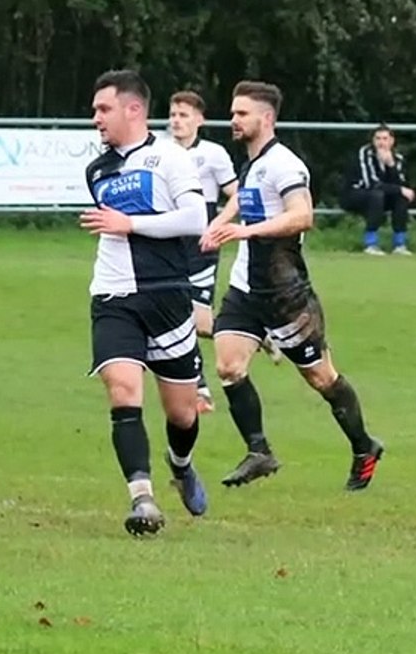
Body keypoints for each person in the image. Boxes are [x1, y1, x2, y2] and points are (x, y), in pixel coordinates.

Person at [201, 80, 385, 492]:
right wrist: (220, 222)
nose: (233, 119)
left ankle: (363, 446)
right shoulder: (252, 163)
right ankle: (259, 450)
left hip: (287, 296)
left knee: (322, 379)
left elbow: (302, 216)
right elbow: (244, 196)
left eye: (241, 114)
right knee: (229, 366)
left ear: (266, 119)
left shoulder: (285, 164)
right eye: (233, 113)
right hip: (247, 289)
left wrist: (247, 232)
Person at [80, 70, 209, 536]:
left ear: (133, 109)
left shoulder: (169, 158)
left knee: (182, 413)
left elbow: (196, 218)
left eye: (103, 109)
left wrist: (130, 224)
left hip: (168, 295)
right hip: (113, 295)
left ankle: (181, 464)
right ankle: (143, 499)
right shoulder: (98, 170)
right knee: (122, 389)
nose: (96, 118)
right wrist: (121, 227)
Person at [167, 90, 240, 413]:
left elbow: (237, 195)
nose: (177, 121)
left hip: (202, 243)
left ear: (200, 120)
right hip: (171, 241)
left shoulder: (213, 154)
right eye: (173, 115)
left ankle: (200, 387)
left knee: (194, 319)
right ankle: (200, 389)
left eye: (183, 115)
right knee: (180, 315)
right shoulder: (160, 152)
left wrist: (220, 224)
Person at [341, 124, 416, 255]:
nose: (381, 142)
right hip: (356, 194)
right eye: (378, 139)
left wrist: (391, 165)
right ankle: (371, 243)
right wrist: (399, 189)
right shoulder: (365, 154)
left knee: (401, 197)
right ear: (373, 141)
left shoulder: (398, 159)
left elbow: (402, 184)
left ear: (392, 141)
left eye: (385, 139)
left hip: (381, 195)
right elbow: (372, 183)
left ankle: (400, 244)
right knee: (377, 194)